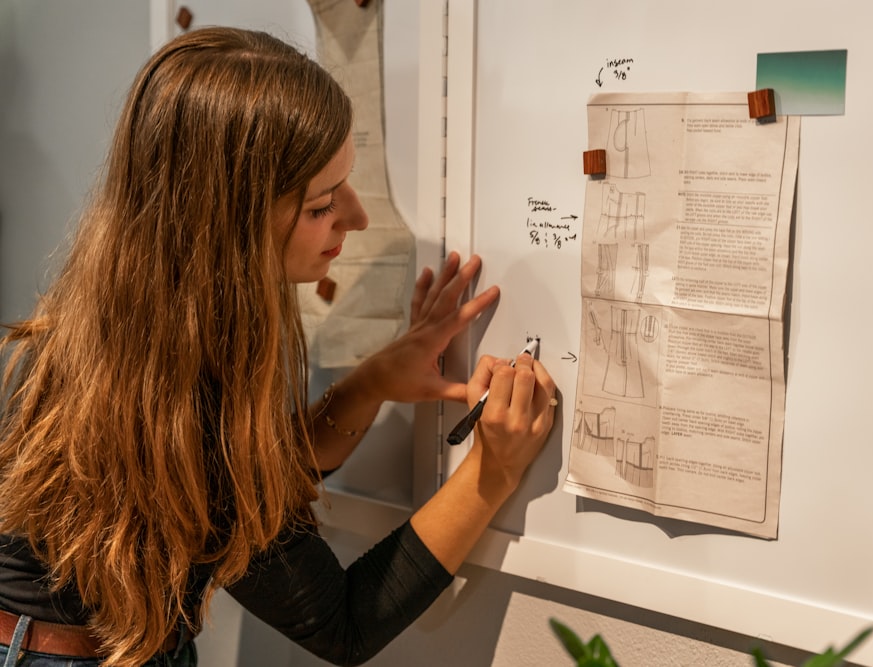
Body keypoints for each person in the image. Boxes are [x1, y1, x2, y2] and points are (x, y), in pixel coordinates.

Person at [0, 27, 556, 667]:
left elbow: (241, 491)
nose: (357, 216)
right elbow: (344, 625)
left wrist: (368, 384)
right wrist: (495, 470)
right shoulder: (186, 388)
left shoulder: (134, 318)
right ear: (231, 222)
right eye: (323, 204)